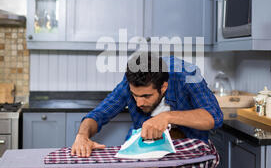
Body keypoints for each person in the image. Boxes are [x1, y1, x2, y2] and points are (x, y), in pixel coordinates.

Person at [71, 52, 223, 156]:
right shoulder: (129, 83)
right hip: (145, 153)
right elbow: (98, 114)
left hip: (191, 152)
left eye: (146, 96)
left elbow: (214, 117)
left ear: (163, 87)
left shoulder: (187, 75)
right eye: (134, 96)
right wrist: (82, 135)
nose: (139, 103)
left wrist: (167, 117)